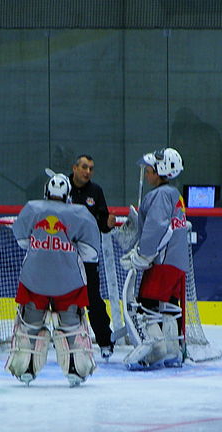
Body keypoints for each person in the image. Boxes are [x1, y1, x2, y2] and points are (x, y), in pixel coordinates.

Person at [5, 169, 101, 387]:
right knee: (71, 326)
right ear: (68, 194)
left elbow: (21, 240)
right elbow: (90, 253)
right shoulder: (80, 213)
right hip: (69, 282)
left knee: (29, 325)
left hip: (34, 280)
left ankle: (24, 368)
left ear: (46, 192)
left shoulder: (31, 208)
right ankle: (77, 370)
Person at [120, 148, 189, 370]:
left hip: (162, 262)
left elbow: (156, 228)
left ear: (161, 171)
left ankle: (155, 351)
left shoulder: (159, 195)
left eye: (149, 171)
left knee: (148, 307)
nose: (147, 175)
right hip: (178, 263)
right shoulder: (174, 195)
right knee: (168, 306)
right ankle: (172, 350)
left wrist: (142, 255)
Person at [68, 154, 116, 359]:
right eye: (84, 167)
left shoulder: (95, 191)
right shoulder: (62, 187)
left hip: (88, 256)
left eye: (91, 168)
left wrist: (108, 222)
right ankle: (58, 339)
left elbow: (103, 222)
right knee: (59, 298)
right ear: (74, 168)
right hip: (63, 255)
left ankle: (105, 342)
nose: (88, 172)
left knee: (93, 299)